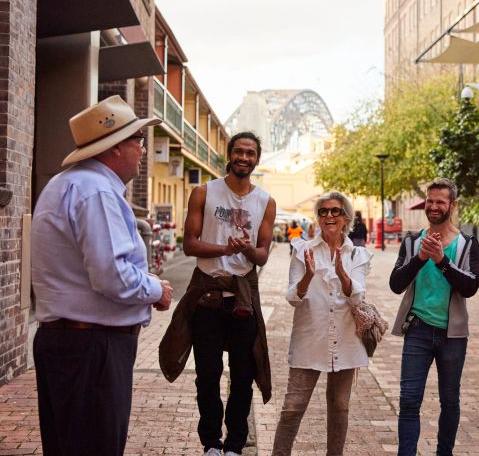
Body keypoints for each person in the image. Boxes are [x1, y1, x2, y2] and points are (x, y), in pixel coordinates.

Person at [31, 95, 173, 456]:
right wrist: (156, 288)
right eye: (137, 140)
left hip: (75, 343)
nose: (142, 149)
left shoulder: (70, 184)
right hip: (92, 348)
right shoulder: (95, 191)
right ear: (114, 148)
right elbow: (112, 276)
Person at [181, 131, 275, 456]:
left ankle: (235, 444)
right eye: (239, 152)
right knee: (207, 375)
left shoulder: (265, 201)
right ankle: (211, 443)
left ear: (257, 159)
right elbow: (189, 244)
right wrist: (225, 247)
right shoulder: (204, 192)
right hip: (207, 296)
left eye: (250, 153)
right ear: (229, 154)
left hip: (243, 299)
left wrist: (246, 249)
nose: (244, 158)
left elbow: (262, 255)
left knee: (243, 376)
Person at [271, 191, 372, 456]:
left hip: (346, 340)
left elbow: (358, 296)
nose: (329, 216)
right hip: (309, 339)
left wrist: (342, 275)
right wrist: (307, 276)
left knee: (339, 407)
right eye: (323, 211)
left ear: (345, 218)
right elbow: (293, 297)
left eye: (335, 211)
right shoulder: (301, 250)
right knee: (293, 407)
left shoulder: (358, 255)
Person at [389, 178, 479, 456]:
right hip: (417, 329)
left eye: (440, 202)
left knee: (450, 400)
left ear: (452, 205)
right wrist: (420, 258)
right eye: (430, 201)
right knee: (408, 400)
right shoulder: (412, 241)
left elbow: (471, 287)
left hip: (452, 335)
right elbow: (395, 284)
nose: (434, 206)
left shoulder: (467, 244)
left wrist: (442, 261)